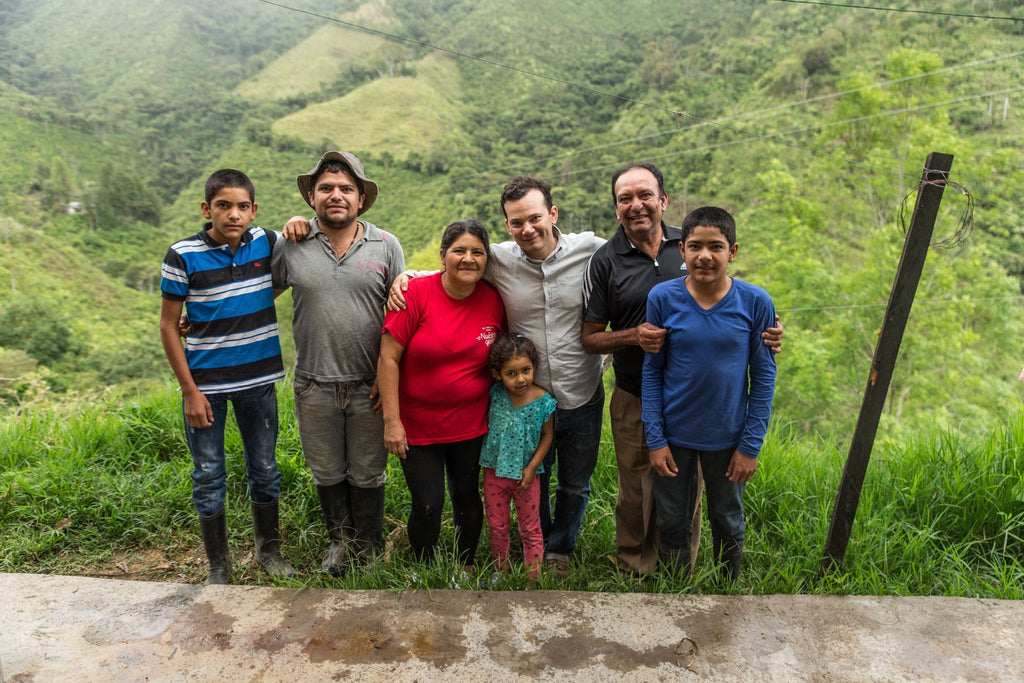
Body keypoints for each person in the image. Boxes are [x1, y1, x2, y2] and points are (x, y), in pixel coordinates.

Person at [389, 176, 605, 578]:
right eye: (517, 222)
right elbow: (453, 270)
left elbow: (633, 257)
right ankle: (530, 548)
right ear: (507, 225)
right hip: (521, 401)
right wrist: (405, 277)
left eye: (535, 218)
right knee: (529, 477)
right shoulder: (500, 259)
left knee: (575, 484)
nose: (527, 229)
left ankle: (558, 552)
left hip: (580, 391)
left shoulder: (591, 250)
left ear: (553, 214)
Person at [582, 163, 783, 576]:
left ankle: (694, 575)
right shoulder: (608, 261)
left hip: (716, 417)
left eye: (645, 196)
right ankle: (641, 572)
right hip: (641, 396)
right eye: (625, 199)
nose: (636, 206)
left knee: (705, 507)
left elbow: (756, 358)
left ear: (663, 200)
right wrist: (634, 336)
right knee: (641, 494)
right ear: (616, 207)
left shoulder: (689, 245)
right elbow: (589, 338)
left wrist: (769, 331)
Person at [272, 150, 405, 575]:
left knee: (368, 473)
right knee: (326, 471)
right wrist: (197, 316)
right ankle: (340, 545)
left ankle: (368, 549)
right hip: (314, 384)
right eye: (326, 188)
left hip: (370, 385)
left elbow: (403, 312)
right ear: (312, 197)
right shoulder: (290, 244)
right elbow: (255, 293)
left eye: (346, 189)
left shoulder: (386, 245)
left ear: (361, 199)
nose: (336, 195)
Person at [160, 168, 294, 584]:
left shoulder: (266, 242)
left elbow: (281, 275)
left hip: (258, 381)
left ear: (254, 210)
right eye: (223, 206)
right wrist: (189, 392)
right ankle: (219, 566)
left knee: (265, 468)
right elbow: (167, 325)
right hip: (207, 388)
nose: (233, 214)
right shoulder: (182, 254)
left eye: (241, 206)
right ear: (207, 208)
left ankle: (267, 551)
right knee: (208, 473)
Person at [642, 206, 777, 582]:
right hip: (673, 436)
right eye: (696, 246)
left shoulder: (755, 302)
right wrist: (655, 439)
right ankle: (676, 591)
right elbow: (652, 373)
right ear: (682, 250)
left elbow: (764, 378)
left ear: (732, 252)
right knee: (671, 520)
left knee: (728, 518)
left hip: (728, 437)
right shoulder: (662, 298)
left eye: (715, 247)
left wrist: (750, 446)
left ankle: (726, 591)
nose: (705, 256)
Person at [378, 219, 506, 569]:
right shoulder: (415, 294)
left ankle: (465, 566)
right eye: (459, 251)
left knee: (467, 496)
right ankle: (426, 570)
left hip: (472, 424)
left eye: (477, 252)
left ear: (487, 259)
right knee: (427, 503)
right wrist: (392, 422)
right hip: (418, 426)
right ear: (443, 256)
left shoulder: (493, 300)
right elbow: (388, 358)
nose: (468, 259)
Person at [479, 334, 556, 582]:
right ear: (497, 374)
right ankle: (500, 571)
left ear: (534, 367)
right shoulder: (494, 395)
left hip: (527, 475)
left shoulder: (543, 401)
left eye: (526, 370)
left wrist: (532, 467)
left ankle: (533, 577)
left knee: (531, 527)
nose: (520, 378)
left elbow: (547, 436)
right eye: (511, 373)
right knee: (497, 525)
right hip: (495, 472)